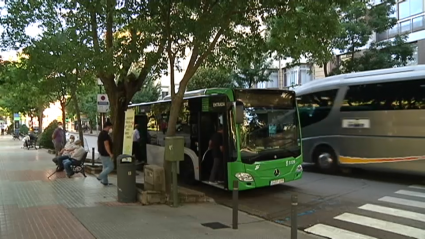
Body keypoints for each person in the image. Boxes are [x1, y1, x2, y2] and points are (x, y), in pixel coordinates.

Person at [97, 122, 114, 186]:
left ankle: (105, 181)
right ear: (107, 127)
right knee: (111, 167)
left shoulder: (101, 133)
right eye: (110, 127)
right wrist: (110, 153)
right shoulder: (105, 135)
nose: (111, 129)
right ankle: (100, 176)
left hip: (102, 152)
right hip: (105, 153)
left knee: (105, 167)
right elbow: (106, 145)